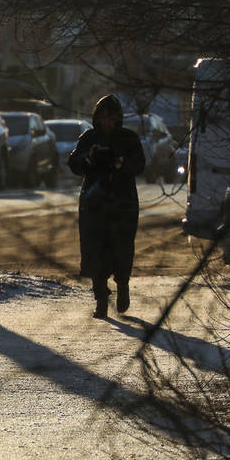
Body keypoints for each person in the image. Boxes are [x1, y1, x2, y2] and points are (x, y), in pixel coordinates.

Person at [67, 95, 146, 318]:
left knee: (122, 248)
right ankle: (100, 298)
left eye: (111, 118)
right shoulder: (89, 138)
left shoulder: (129, 139)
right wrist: (89, 159)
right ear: (97, 118)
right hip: (94, 203)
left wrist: (121, 163)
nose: (107, 122)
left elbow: (139, 164)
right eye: (103, 118)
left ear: (118, 118)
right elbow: (74, 163)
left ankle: (123, 286)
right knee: (95, 250)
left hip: (123, 203)